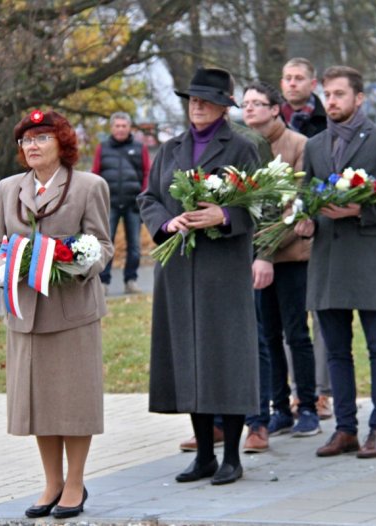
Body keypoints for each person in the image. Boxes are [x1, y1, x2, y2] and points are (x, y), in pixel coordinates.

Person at [0, 109, 113, 519]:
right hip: (26, 311)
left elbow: (103, 245)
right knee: (40, 402)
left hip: (71, 309)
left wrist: (78, 260)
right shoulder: (9, 188)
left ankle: (75, 483)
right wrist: (1, 267)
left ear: (62, 143)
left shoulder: (88, 186)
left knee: (73, 402)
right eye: (27, 140)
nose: (33, 146)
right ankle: (51, 482)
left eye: (42, 138)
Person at [138, 67, 260, 485]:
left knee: (226, 358)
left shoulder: (242, 148)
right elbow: (149, 197)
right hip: (179, 268)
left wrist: (223, 214)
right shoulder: (171, 148)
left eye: (206, 100)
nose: (198, 105)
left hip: (222, 269)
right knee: (190, 357)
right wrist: (165, 224)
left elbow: (261, 205)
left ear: (224, 107)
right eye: (193, 99)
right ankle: (204, 453)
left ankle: (232, 457)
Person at [294, 66, 376, 459]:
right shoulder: (315, 146)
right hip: (327, 261)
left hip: (368, 258)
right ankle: (345, 429)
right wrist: (304, 223)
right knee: (337, 351)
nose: (331, 101)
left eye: (339, 94)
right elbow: (305, 197)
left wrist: (359, 213)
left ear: (359, 98)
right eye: (327, 94)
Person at [240, 80, 318, 453]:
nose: (250, 109)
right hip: (253, 260)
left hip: (289, 257)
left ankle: (308, 406)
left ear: (276, 109)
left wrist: (267, 251)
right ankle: (278, 406)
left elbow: (297, 208)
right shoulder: (240, 147)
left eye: (258, 103)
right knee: (265, 336)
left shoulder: (298, 146)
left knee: (295, 334)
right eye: (245, 104)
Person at [280, 57, 333, 420]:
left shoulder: (326, 121)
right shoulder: (272, 121)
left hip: (321, 227)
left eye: (299, 78)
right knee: (291, 318)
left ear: (312, 83)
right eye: (287, 78)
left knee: (322, 315)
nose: (293, 83)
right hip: (283, 233)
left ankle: (323, 392)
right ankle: (298, 391)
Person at [92, 112, 150, 295]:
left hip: (133, 205)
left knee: (134, 247)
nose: (120, 129)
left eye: (124, 126)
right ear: (112, 128)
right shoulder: (102, 148)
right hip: (109, 205)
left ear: (129, 128)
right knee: (106, 244)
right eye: (117, 126)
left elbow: (147, 173)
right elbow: (95, 174)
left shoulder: (140, 148)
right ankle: (103, 282)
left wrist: (143, 196)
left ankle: (131, 280)